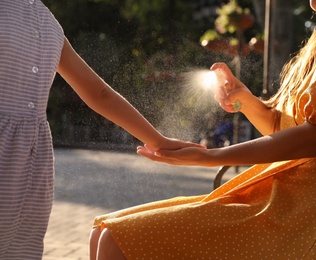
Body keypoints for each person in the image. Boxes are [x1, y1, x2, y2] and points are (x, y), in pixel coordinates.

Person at [91, 0, 316, 259]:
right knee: (103, 232)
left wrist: (210, 157)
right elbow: (283, 127)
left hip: (314, 218)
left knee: (116, 240)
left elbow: (315, 138)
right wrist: (245, 100)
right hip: (284, 203)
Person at [0, 1, 202, 259]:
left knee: (20, 250)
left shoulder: (47, 22)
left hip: (31, 161)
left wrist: (158, 141)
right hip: (21, 153)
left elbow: (100, 93)